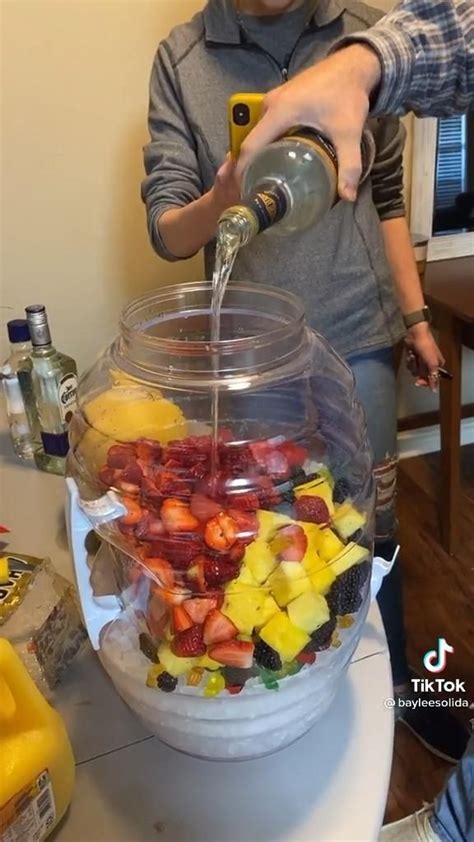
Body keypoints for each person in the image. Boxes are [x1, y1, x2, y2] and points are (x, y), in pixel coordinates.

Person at [142, 0, 467, 761]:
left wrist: (415, 320)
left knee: (372, 535)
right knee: (266, 541)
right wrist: (228, 192)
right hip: (254, 361)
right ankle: (286, 698)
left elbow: (386, 199)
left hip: (357, 343)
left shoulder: (367, 35)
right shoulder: (183, 57)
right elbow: (166, 231)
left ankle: (394, 696)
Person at [236, 0, 474, 199]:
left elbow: (387, 194)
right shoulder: (197, 58)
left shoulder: (366, 25)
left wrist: (362, 65)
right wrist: (221, 199)